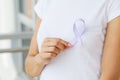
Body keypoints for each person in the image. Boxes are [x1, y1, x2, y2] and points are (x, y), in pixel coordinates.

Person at [25, 0, 120, 80]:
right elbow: (30, 68)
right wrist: (40, 59)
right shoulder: (46, 2)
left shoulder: (112, 3)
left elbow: (110, 76)